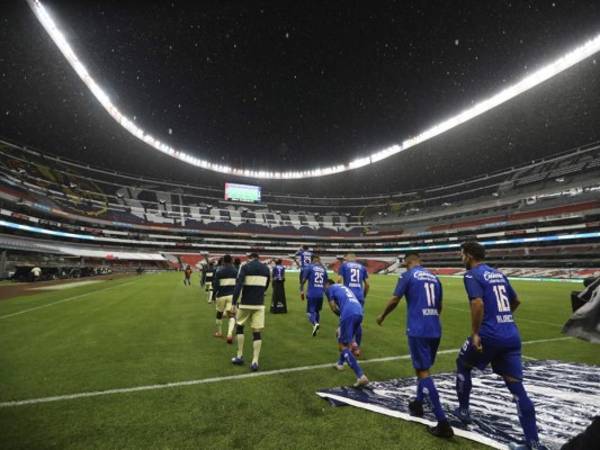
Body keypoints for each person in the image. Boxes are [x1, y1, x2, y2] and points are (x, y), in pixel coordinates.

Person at [455, 242, 545, 450]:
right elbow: (516, 301)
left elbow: (477, 303)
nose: (461, 258)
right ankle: (533, 442)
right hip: (511, 334)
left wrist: (476, 333)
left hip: (489, 334)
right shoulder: (498, 274)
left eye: (462, 255)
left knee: (463, 364)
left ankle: (463, 411)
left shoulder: (471, 275)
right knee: (516, 388)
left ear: (468, 256)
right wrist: (503, 318)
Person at [376, 252, 453, 439]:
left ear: (407, 262)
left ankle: (442, 422)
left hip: (419, 328)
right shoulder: (434, 277)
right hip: (435, 327)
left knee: (423, 372)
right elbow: (439, 305)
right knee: (424, 368)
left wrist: (382, 315)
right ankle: (418, 403)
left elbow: (395, 299)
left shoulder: (407, 275)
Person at [324, 279, 368, 387]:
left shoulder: (330, 289)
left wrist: (341, 317)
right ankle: (340, 363)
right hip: (359, 311)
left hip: (348, 313)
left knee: (342, 346)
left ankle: (360, 376)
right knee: (343, 336)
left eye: (324, 287)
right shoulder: (342, 287)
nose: (323, 289)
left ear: (327, 284)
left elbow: (333, 307)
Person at [231, 251, 270, 371]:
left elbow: (238, 285)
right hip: (259, 304)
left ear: (250, 258)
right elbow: (267, 285)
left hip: (245, 303)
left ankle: (239, 356)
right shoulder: (266, 268)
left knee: (240, 326)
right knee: (257, 332)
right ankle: (255, 361)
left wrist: (233, 302)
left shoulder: (245, 267)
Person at [338, 253, 369, 356]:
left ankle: (350, 344)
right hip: (359, 296)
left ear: (347, 258)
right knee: (358, 322)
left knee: (345, 321)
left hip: (349, 296)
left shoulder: (344, 266)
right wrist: (363, 296)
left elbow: (339, 280)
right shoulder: (362, 267)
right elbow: (367, 284)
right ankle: (356, 347)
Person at [300, 255, 328, 336]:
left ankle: (315, 323)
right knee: (317, 311)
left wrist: (301, 291)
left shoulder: (309, 267)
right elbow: (326, 284)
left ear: (311, 260)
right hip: (320, 294)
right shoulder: (323, 270)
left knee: (309, 312)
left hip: (312, 293)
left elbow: (303, 280)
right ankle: (316, 328)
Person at [213, 255, 238, 343]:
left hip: (221, 295)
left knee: (219, 313)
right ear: (231, 261)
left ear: (223, 261)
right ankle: (229, 334)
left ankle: (219, 332)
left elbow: (215, 285)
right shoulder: (236, 271)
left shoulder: (219, 271)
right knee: (231, 315)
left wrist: (213, 296)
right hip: (231, 295)